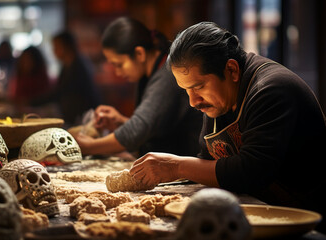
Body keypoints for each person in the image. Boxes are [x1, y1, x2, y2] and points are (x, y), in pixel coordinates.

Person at [129, 22, 326, 231]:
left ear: (231, 69)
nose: (193, 101)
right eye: (186, 90)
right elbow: (208, 160)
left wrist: (175, 166)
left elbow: (252, 172)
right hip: (262, 213)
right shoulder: (219, 99)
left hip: (310, 222)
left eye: (199, 87)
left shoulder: (271, 90)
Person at [75, 17, 203, 158]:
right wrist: (120, 121)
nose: (118, 72)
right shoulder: (151, 73)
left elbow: (137, 130)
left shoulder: (167, 74)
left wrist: (88, 147)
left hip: (187, 166)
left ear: (140, 53)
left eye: (119, 64)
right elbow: (151, 127)